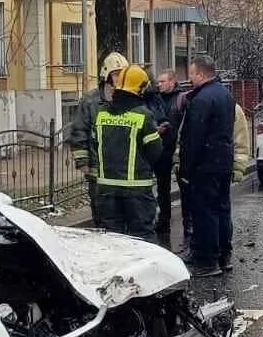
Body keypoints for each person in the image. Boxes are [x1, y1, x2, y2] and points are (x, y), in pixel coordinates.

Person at [176, 54, 235, 277]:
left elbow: (194, 138)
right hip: (223, 162)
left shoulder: (201, 99)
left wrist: (186, 170)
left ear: (200, 74)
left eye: (191, 74)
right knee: (222, 209)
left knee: (205, 212)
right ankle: (224, 254)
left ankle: (207, 261)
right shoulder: (226, 94)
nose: (190, 79)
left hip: (204, 165)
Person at [91, 64, 164, 240]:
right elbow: (155, 152)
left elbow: (94, 145)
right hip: (136, 191)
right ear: (140, 88)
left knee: (113, 240)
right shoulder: (143, 115)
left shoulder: (101, 114)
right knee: (142, 238)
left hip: (106, 190)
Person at [69, 52, 129, 227]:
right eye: (116, 73)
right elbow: (79, 131)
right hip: (98, 172)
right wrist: (83, 162)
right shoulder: (90, 101)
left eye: (123, 73)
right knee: (102, 216)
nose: (119, 78)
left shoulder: (129, 98)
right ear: (106, 74)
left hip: (123, 172)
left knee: (123, 218)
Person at [151, 70, 184, 240]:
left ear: (172, 82)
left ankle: (188, 223)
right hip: (161, 151)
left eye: (163, 81)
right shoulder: (155, 100)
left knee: (184, 187)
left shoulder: (181, 99)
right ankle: (163, 221)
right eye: (158, 82)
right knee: (163, 188)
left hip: (177, 151)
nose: (159, 84)